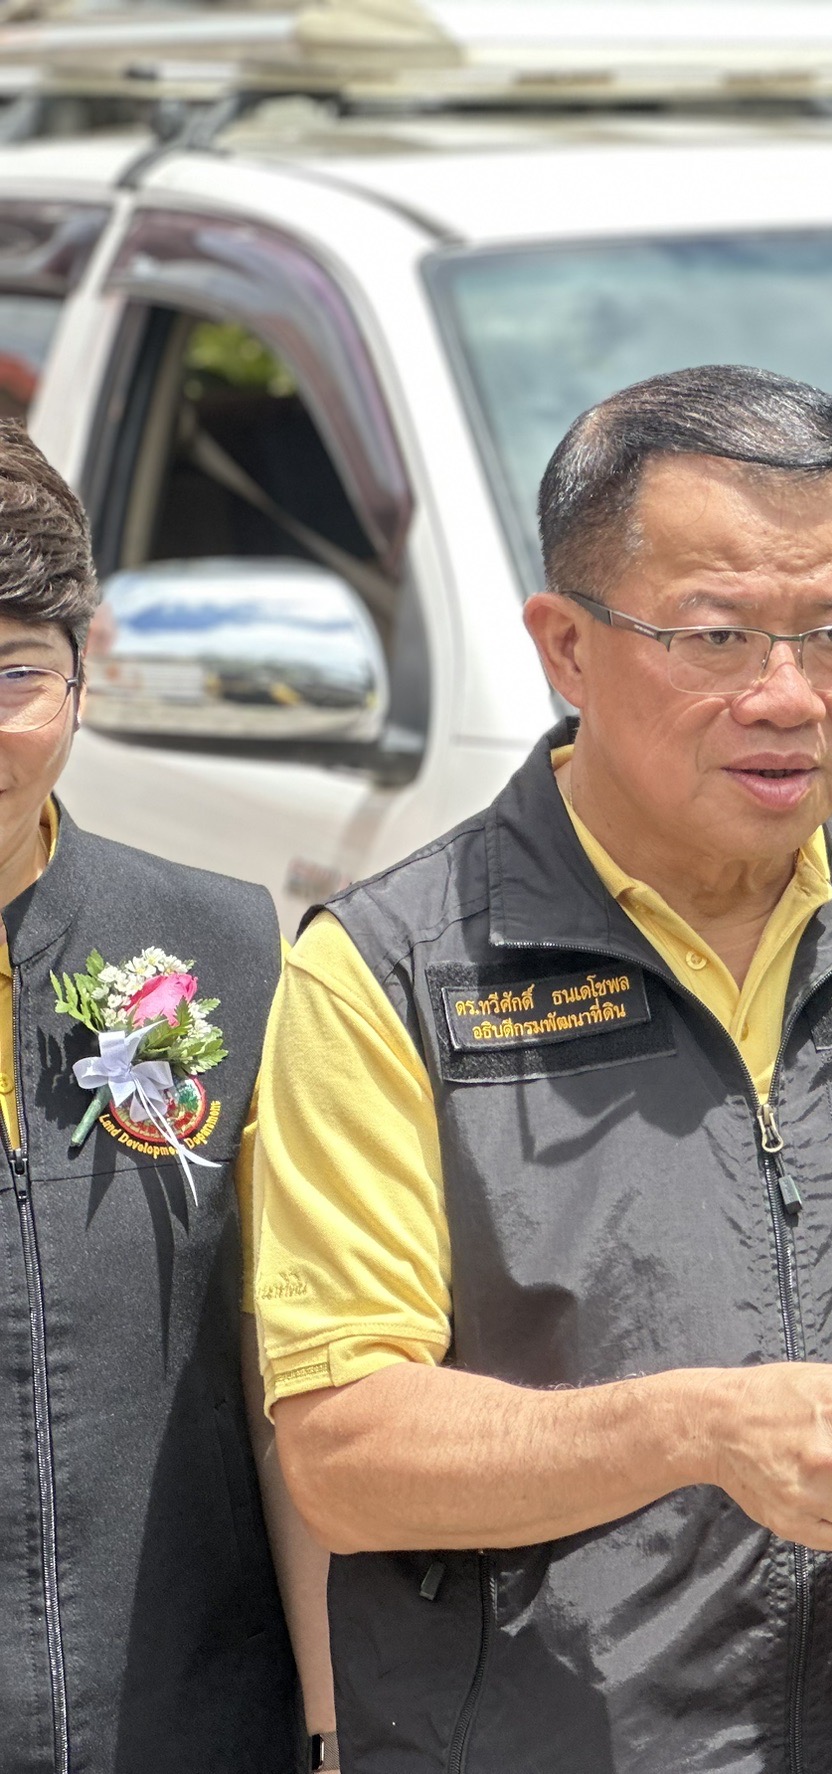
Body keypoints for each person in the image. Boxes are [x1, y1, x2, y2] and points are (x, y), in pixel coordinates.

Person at [249, 367, 832, 1773]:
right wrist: (700, 1424)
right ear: (565, 647)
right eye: (719, 635)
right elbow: (348, 1451)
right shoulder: (393, 970)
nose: (787, 696)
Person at [0, 422, 322, 1767]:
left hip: (188, 1721)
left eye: (13, 672)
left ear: (85, 676)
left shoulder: (222, 948)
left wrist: (328, 1716)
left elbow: (283, 1383)